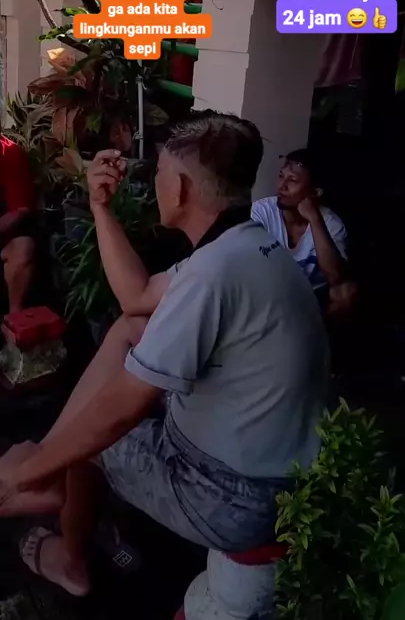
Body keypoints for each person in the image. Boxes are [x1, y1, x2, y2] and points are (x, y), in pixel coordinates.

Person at [0, 112, 329, 596]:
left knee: (91, 436)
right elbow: (137, 299)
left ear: (180, 188)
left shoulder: (212, 274)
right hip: (268, 470)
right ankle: (47, 475)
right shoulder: (245, 246)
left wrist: (21, 473)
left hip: (232, 497)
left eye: (158, 173)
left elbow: (122, 406)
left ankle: (69, 557)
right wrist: (101, 208)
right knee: (132, 328)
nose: (153, 183)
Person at [251, 149, 357, 315]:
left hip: (309, 304)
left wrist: (314, 219)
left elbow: (336, 277)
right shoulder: (262, 211)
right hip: (271, 297)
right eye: (281, 176)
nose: (281, 186)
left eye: (292, 180)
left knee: (347, 293)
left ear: (314, 192)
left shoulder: (331, 224)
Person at [0, 133, 37, 311]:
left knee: (23, 249)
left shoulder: (10, 153)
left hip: (5, 234)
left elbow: (20, 210)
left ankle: (14, 319)